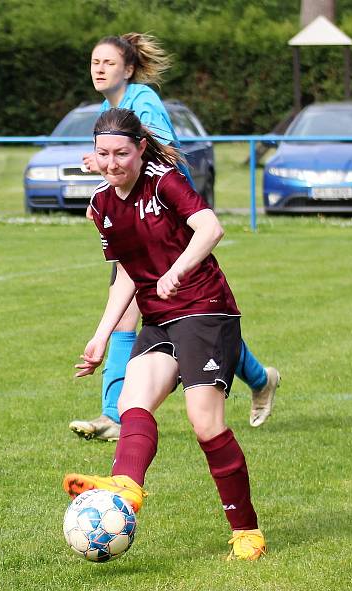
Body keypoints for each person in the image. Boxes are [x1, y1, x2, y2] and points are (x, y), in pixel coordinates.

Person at [63, 108, 266, 560]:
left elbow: (211, 228)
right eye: (103, 155)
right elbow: (128, 277)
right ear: (92, 157)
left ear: (139, 149)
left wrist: (177, 270)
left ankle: (246, 530)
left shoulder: (164, 181)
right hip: (159, 318)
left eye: (121, 153)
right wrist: (101, 335)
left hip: (205, 310)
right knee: (130, 404)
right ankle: (125, 490)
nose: (113, 163)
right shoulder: (100, 206)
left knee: (205, 422)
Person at [68, 33, 279, 442]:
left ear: (128, 69)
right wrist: (107, 167)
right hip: (131, 221)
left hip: (165, 222)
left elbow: (161, 152)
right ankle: (258, 378)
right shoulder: (106, 108)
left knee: (183, 314)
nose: (99, 69)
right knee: (182, 317)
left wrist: (115, 165)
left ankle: (115, 413)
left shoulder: (143, 100)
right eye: (95, 62)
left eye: (108, 63)